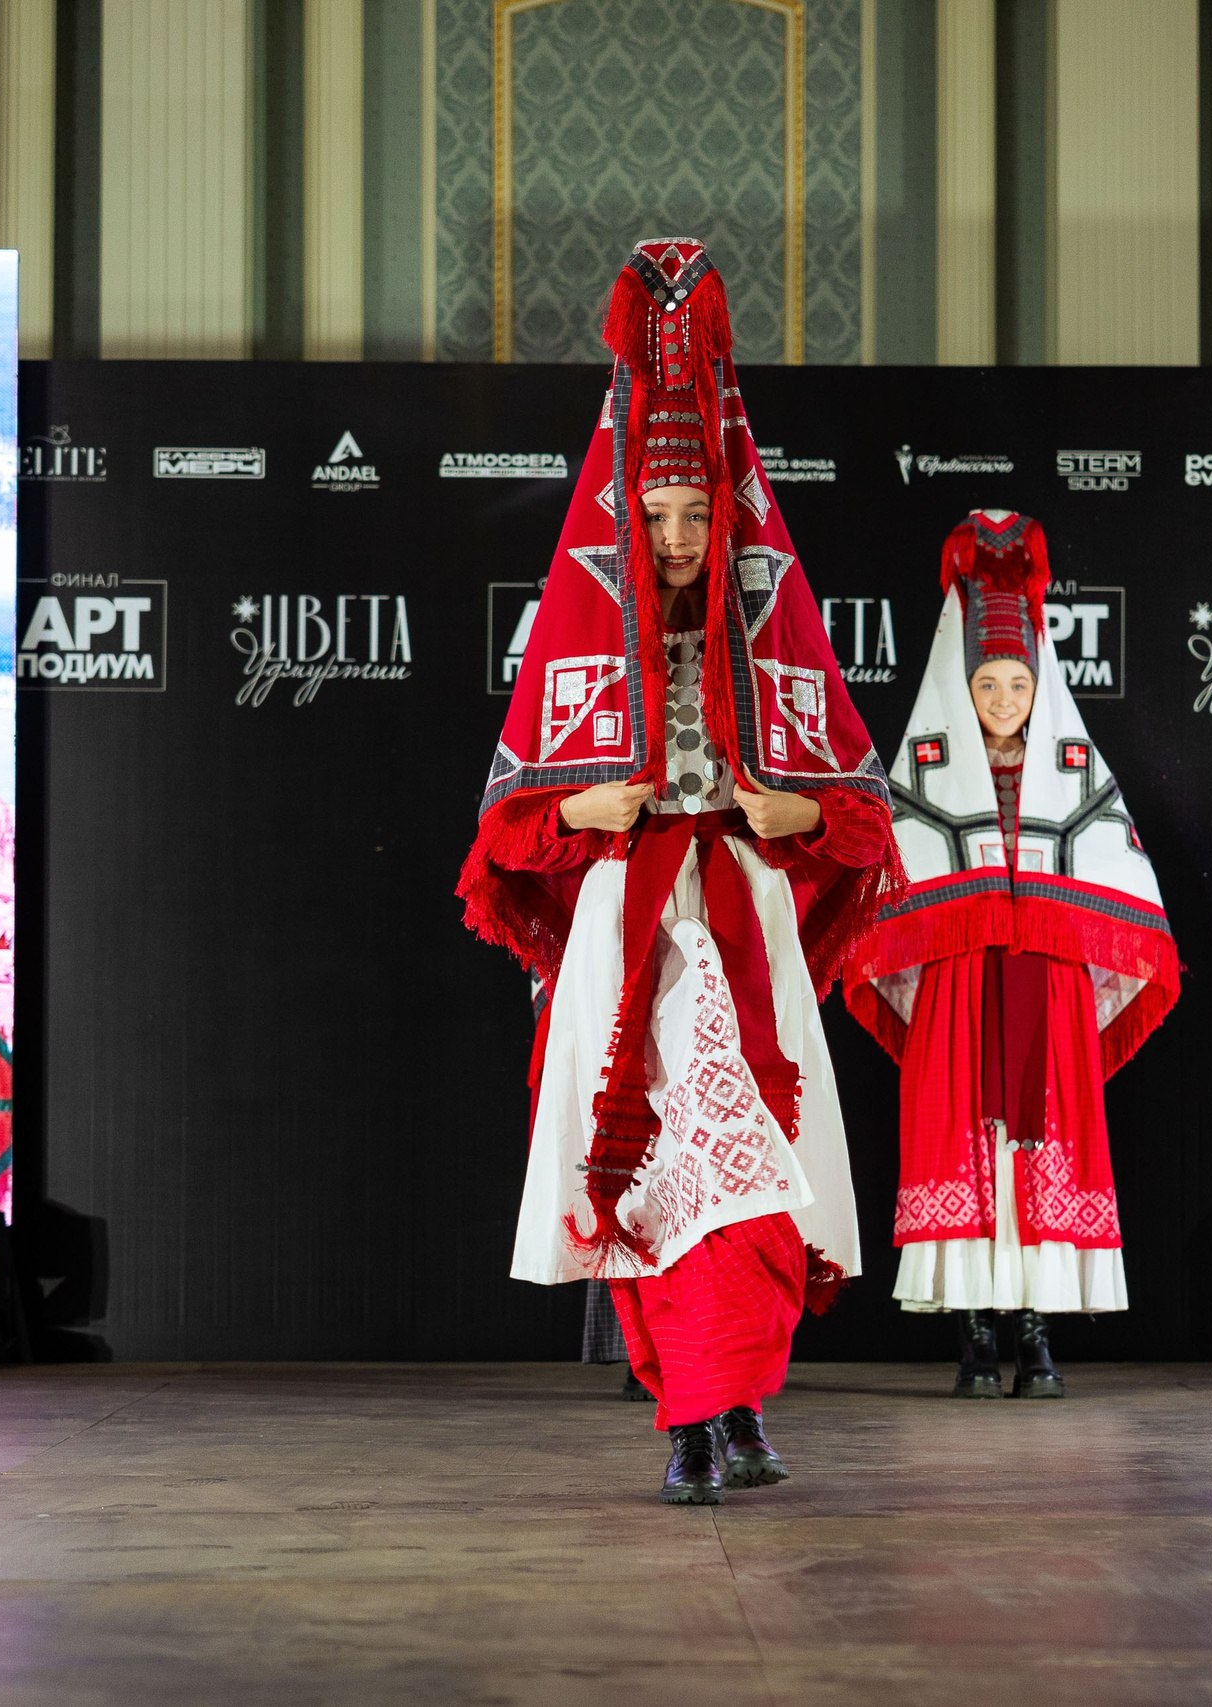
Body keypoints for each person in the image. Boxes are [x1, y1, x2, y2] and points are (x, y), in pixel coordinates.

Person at [459, 239, 900, 1502]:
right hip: (632, 924)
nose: (671, 539)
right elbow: (504, 841)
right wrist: (588, 807)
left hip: (741, 918)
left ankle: (736, 1406)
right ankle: (691, 1423)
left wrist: (787, 809)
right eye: (649, 519)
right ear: (618, 521)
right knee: (654, 1168)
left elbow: (864, 829)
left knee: (758, 1168)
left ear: (728, 513)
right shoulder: (582, 642)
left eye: (694, 515)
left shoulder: (774, 646)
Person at [845, 511, 1179, 1398]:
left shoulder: (1077, 771)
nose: (1002, 700)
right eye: (986, 683)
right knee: (968, 1146)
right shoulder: (921, 777)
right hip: (962, 987)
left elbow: (1118, 875)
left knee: (1036, 1146)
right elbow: (890, 881)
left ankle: (1036, 1335)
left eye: (1016, 684)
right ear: (962, 688)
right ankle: (974, 1337)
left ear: (1041, 685)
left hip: (1044, 980)